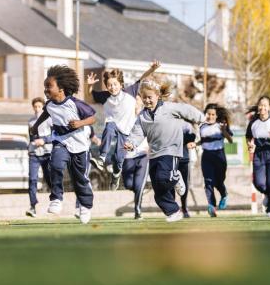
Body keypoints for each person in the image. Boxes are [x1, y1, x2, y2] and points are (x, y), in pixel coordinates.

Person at [125, 77, 205, 222]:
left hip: (171, 150)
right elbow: (137, 132)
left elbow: (187, 110)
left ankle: (176, 177)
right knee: (158, 190)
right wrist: (131, 143)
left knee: (163, 178)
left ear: (157, 95)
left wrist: (201, 119)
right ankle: (174, 212)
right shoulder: (142, 116)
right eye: (144, 98)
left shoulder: (169, 108)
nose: (147, 100)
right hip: (154, 154)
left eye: (149, 97)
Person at [30, 65, 96, 224]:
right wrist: (35, 126)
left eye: (49, 87)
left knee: (80, 179)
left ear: (61, 89)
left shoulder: (75, 104)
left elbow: (93, 118)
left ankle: (85, 206)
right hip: (61, 140)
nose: (45, 90)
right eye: (45, 87)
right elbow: (46, 113)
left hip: (80, 144)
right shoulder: (50, 104)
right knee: (56, 165)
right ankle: (56, 199)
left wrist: (80, 123)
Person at [88, 62, 161, 190]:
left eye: (115, 84)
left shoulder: (130, 91)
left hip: (127, 130)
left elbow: (142, 78)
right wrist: (89, 85)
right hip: (113, 125)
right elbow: (91, 95)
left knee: (118, 158)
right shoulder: (105, 96)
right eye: (109, 85)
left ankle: (116, 175)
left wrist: (152, 69)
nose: (112, 87)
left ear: (121, 84)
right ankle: (102, 157)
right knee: (109, 127)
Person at [246, 96, 270, 217]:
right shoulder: (253, 122)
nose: (262, 107)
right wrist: (250, 144)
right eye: (260, 105)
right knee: (258, 183)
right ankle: (269, 194)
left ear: (269, 107)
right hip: (258, 154)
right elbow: (248, 136)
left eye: (265, 105)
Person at [198, 103, 233, 217]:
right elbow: (202, 140)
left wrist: (224, 131)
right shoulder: (201, 126)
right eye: (208, 114)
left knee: (218, 181)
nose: (210, 116)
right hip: (206, 156)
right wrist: (195, 143)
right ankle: (211, 206)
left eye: (213, 114)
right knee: (208, 182)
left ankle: (224, 194)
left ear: (216, 115)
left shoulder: (221, 125)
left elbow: (230, 140)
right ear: (205, 114)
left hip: (219, 156)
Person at [25, 97, 53, 218]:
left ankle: (55, 200)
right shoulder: (31, 121)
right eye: (35, 107)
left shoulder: (49, 120)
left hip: (47, 153)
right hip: (34, 155)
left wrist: (44, 140)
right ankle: (32, 206)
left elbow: (55, 136)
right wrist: (30, 146)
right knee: (32, 180)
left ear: (43, 107)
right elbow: (31, 137)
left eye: (39, 107)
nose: (37, 109)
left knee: (49, 179)